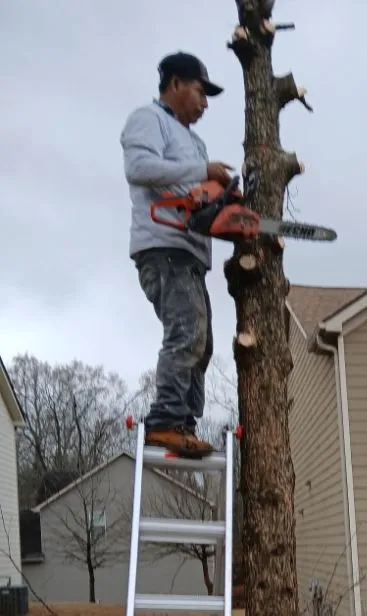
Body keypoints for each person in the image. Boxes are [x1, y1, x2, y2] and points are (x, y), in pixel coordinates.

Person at [120, 52, 234, 458]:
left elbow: (196, 196)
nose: (204, 104)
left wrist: (227, 203)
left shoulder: (194, 142)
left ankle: (184, 422)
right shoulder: (149, 119)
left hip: (189, 253)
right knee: (186, 332)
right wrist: (202, 171)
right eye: (200, 93)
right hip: (163, 246)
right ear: (175, 85)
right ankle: (165, 421)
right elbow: (139, 167)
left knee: (202, 343)